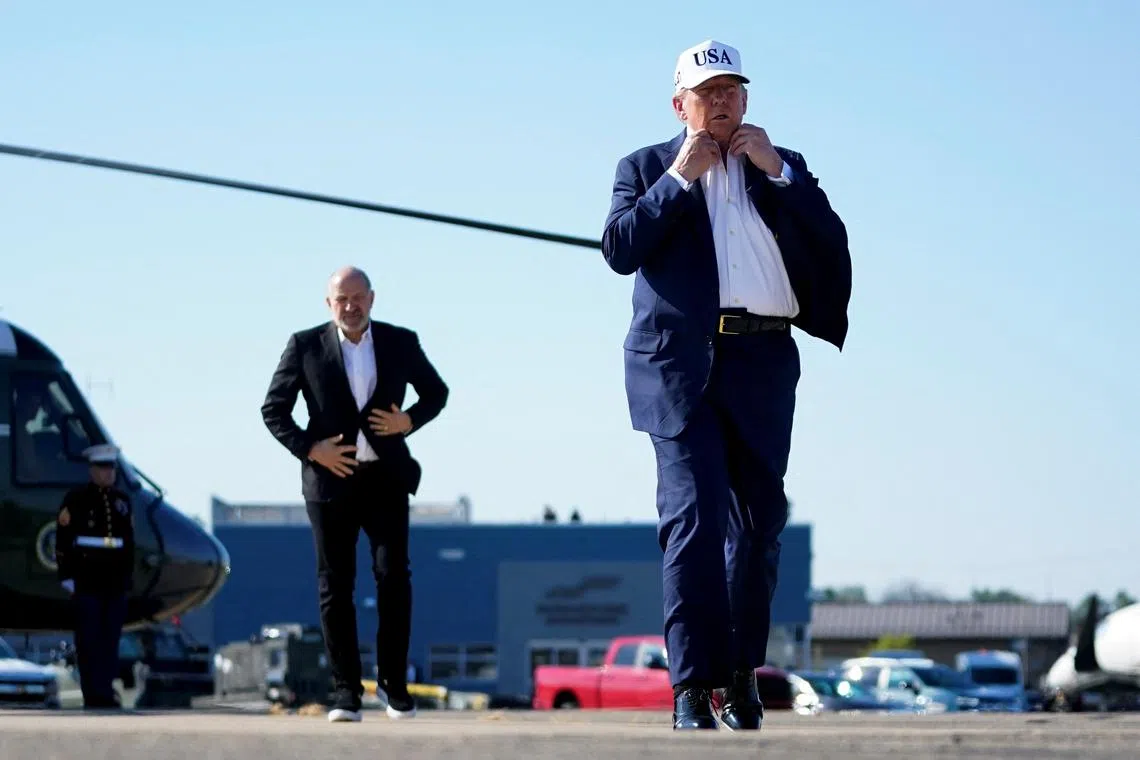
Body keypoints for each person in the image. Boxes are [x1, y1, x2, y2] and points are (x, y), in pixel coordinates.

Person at [601, 39, 852, 731]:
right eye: (707, 91)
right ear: (680, 102)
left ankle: (740, 676)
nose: (721, 101)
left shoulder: (780, 166)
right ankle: (690, 686)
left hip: (762, 361)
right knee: (694, 520)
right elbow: (619, 247)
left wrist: (779, 174)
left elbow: (830, 241)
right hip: (677, 366)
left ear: (747, 98)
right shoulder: (646, 167)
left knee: (760, 527)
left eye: (732, 90)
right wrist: (679, 178)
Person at [261, 265, 449, 723]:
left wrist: (409, 421)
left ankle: (394, 688)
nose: (350, 306)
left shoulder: (400, 341)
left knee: (393, 579)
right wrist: (311, 449)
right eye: (341, 299)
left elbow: (436, 393)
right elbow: (273, 410)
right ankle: (346, 692)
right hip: (330, 484)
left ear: (372, 298)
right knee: (335, 586)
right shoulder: (304, 346)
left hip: (385, 479)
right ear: (329, 305)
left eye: (357, 297)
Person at [55, 443, 135, 710]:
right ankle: (93, 693)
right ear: (92, 470)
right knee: (88, 640)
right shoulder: (76, 500)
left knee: (109, 639)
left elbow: (128, 544)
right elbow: (64, 540)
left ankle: (105, 691)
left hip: (114, 581)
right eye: (103, 468)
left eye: (111, 467)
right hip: (87, 579)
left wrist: (127, 579)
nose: (108, 473)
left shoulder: (122, 502)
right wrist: (67, 576)